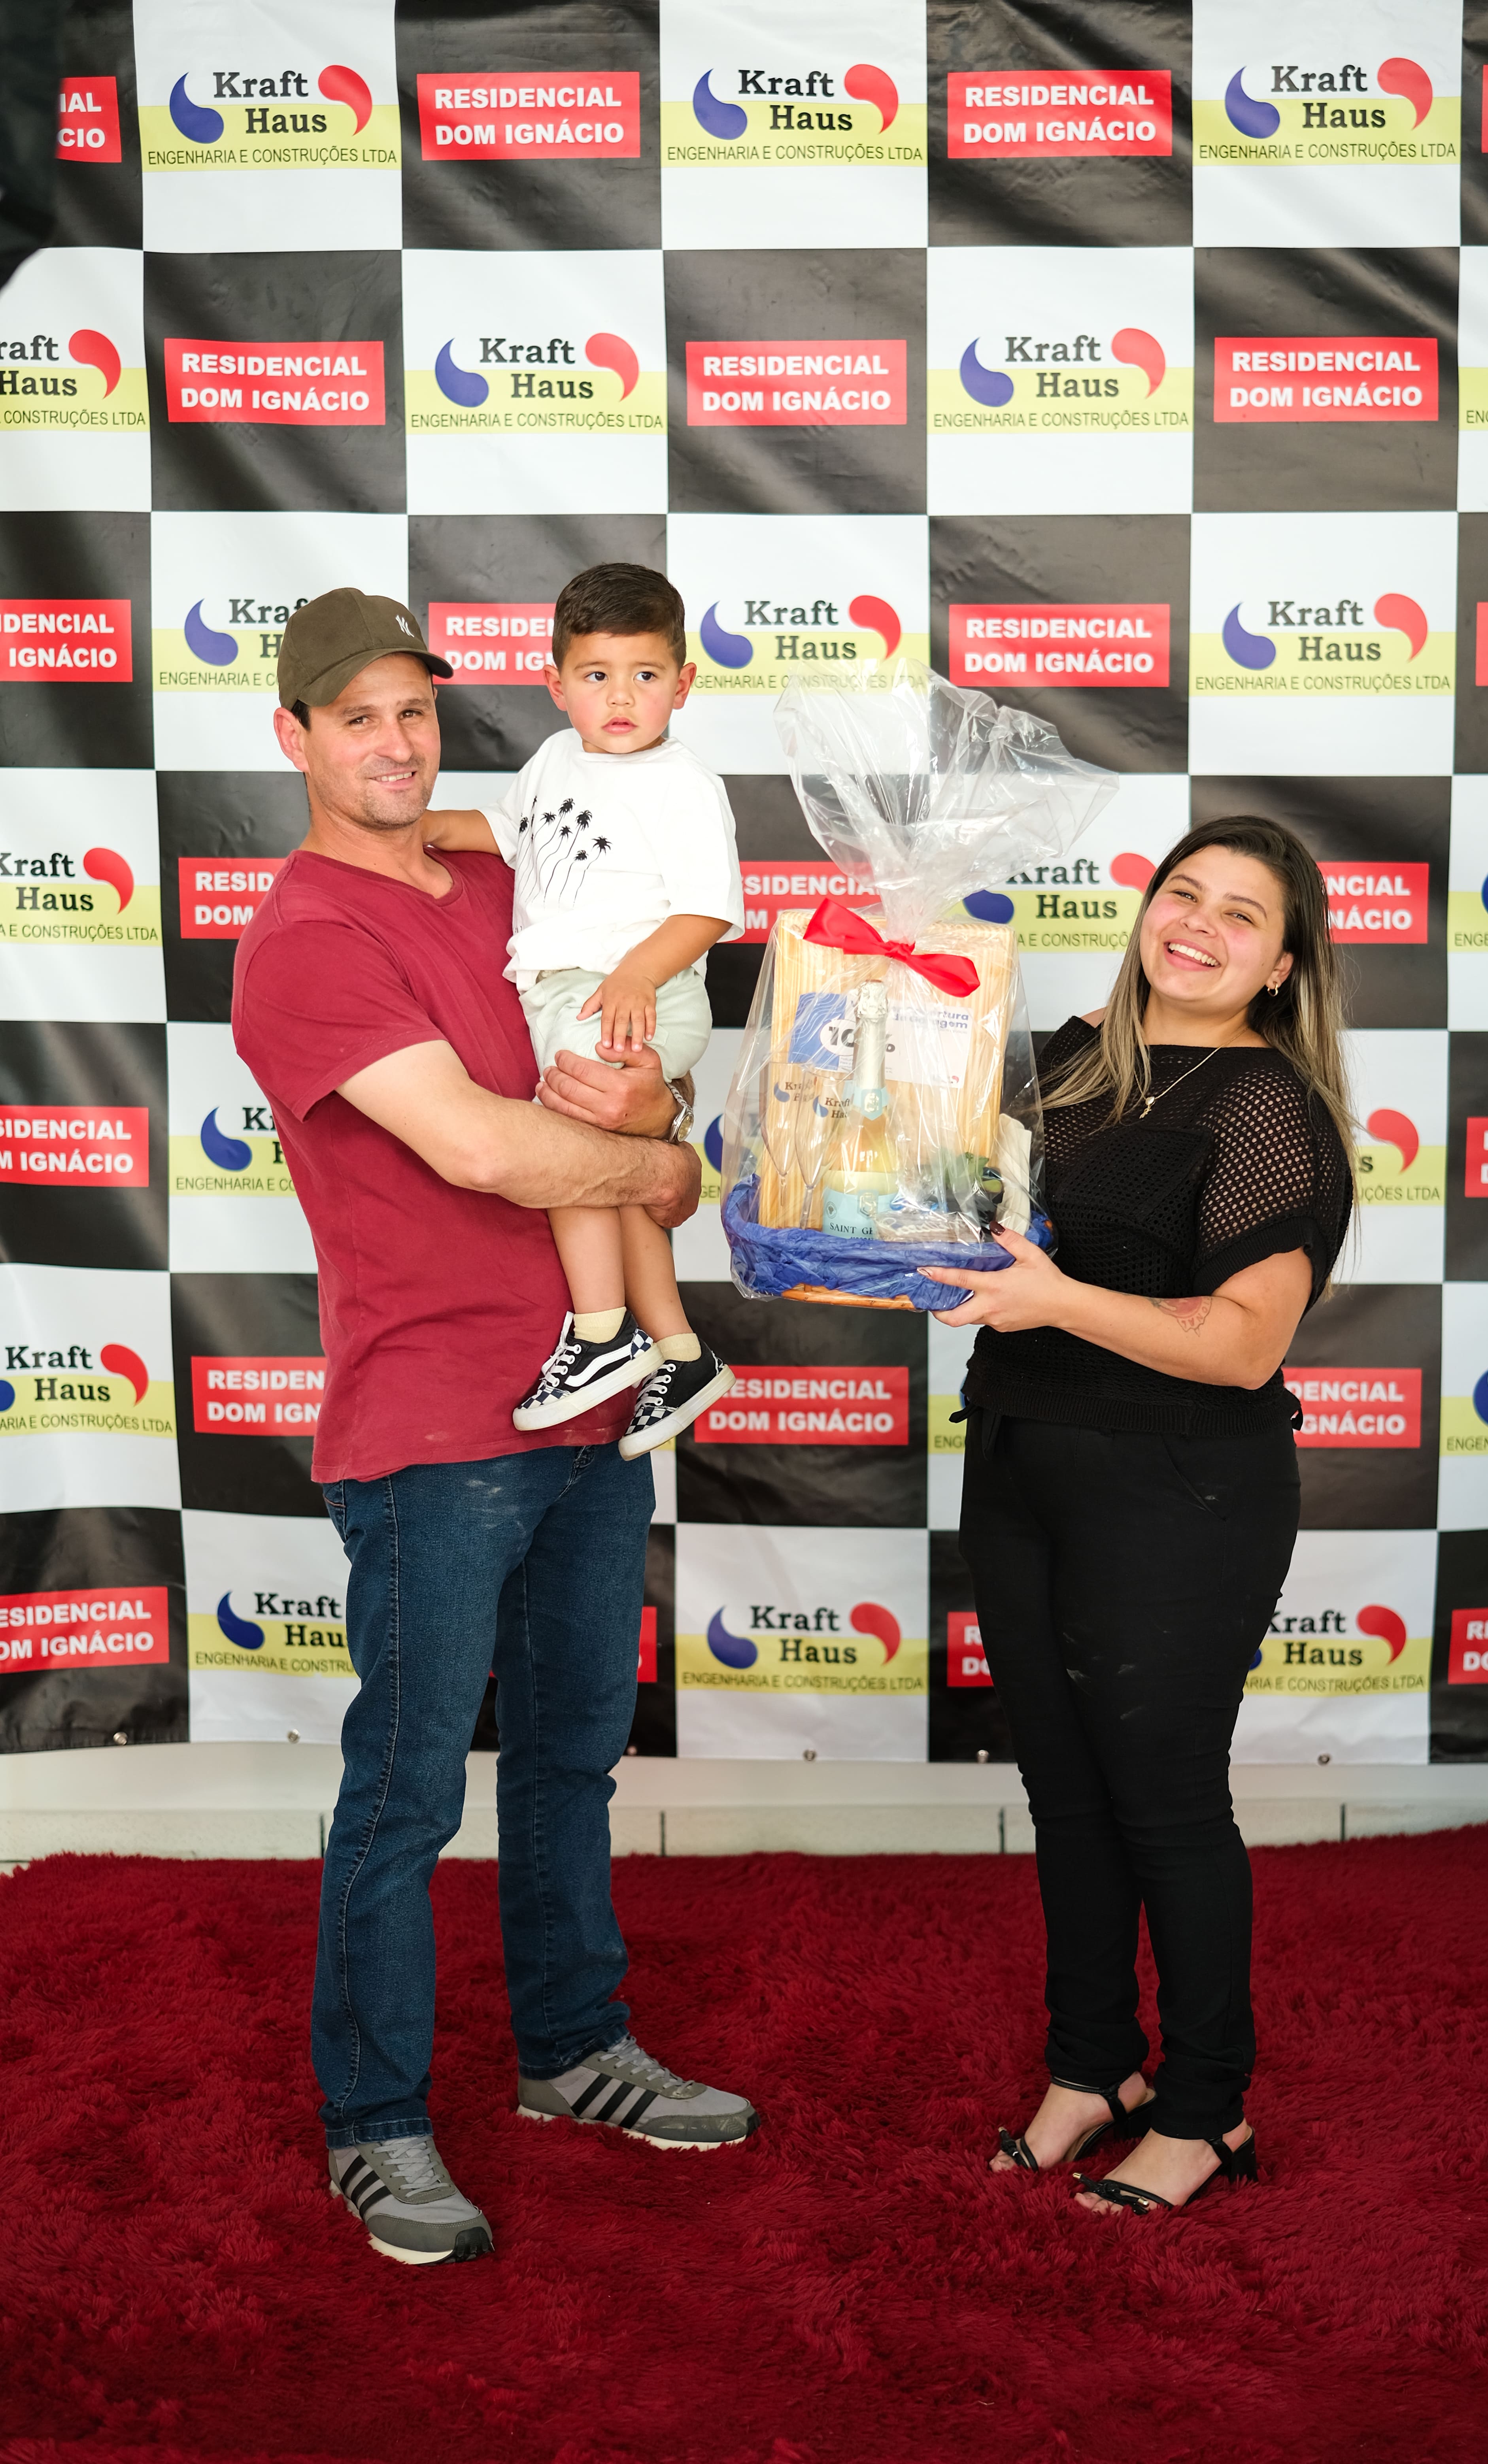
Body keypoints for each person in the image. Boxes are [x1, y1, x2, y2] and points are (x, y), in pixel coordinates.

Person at [233, 587, 759, 2270]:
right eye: (356, 717)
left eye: (413, 709)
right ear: (295, 736)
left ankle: (571, 2048)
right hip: (433, 1422)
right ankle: (374, 2121)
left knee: (568, 1759)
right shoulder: (303, 937)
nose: (395, 743)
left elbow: (637, 1075)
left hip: (586, 1402)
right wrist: (662, 1166)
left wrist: (664, 1115)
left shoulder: (512, 873)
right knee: (404, 1795)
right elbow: (484, 1147)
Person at [923, 819, 1354, 2221]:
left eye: (1241, 915)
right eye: (1182, 894)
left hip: (1179, 1489)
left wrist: (1057, 1299)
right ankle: (1092, 2066)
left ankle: (1207, 2108)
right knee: (1064, 1793)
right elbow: (950, 1216)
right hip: (1018, 1461)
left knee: (1164, 1804)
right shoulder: (1061, 1065)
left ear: (1280, 966)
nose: (1198, 926)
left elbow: (1241, 1345)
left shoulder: (1265, 1107)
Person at [421, 562, 740, 1457]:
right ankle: (679, 1351)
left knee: (567, 1153)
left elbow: (710, 908)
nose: (622, 697)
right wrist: (429, 828)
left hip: (633, 992)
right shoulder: (557, 759)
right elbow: (509, 833)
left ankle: (601, 1334)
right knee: (619, 1173)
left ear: (684, 683)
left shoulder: (683, 782)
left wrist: (637, 974)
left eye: (646, 675)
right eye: (597, 675)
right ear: (557, 685)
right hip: (576, 991)